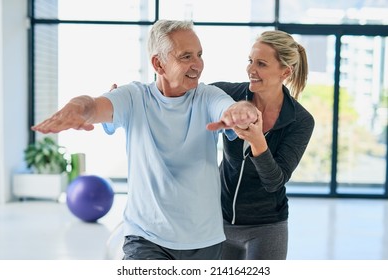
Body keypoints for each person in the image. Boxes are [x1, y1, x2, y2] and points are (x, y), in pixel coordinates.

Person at [31, 19, 258, 260]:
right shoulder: (134, 97)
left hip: (205, 241)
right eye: (186, 57)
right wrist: (78, 107)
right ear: (158, 64)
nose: (198, 65)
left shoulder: (208, 96)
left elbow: (230, 109)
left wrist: (241, 111)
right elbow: (95, 105)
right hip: (146, 238)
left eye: (199, 55)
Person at [211, 30, 315, 260]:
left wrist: (258, 142)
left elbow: (274, 181)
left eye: (261, 63)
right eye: (250, 60)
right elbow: (181, 94)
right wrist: (129, 97)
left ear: (285, 72)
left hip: (267, 228)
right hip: (219, 221)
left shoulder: (300, 120)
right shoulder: (228, 94)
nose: (250, 69)